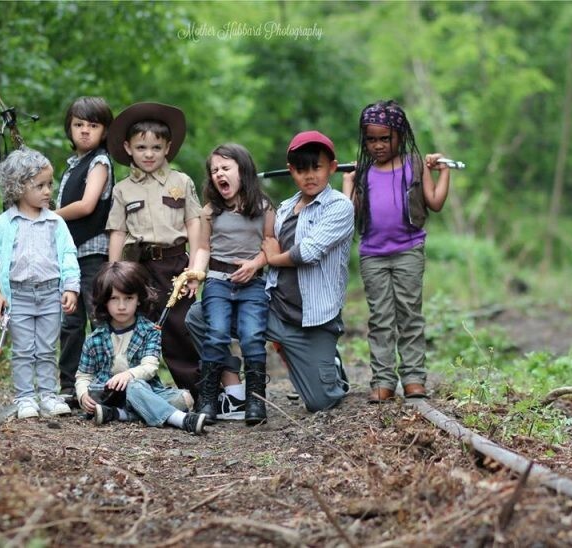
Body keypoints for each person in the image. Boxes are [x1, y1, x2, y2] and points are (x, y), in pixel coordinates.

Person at [186, 131, 354, 413]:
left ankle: (327, 363)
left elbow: (307, 253)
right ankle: (235, 390)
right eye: (301, 169)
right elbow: (262, 245)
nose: (309, 176)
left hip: (314, 319)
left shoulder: (339, 206)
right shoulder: (285, 208)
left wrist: (271, 259)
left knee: (321, 401)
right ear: (291, 172)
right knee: (198, 317)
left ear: (332, 168)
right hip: (275, 310)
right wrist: (254, 261)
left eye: (317, 167)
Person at [342, 100, 450, 403]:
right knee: (380, 318)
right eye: (371, 139)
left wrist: (443, 173)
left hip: (409, 250)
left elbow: (435, 202)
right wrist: (347, 181)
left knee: (409, 314)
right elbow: (348, 213)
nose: (378, 145)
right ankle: (383, 380)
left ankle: (414, 377)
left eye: (384, 138)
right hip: (373, 253)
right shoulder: (362, 171)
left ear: (399, 136)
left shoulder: (414, 163)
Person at [106, 102, 202, 395]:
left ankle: (198, 391)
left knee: (179, 329)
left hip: (175, 265)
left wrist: (195, 268)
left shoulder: (180, 182)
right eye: (142, 147)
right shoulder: (123, 189)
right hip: (138, 267)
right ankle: (136, 392)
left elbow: (194, 223)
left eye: (156, 148)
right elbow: (118, 232)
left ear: (167, 148)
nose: (149, 154)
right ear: (128, 148)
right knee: (136, 326)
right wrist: (114, 271)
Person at [0, 147, 80, 419]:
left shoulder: (56, 223)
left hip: (50, 293)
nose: (48, 191)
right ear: (18, 187)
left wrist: (71, 287)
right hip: (19, 295)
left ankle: (48, 395)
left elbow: (68, 255)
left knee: (48, 348)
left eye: (49, 184)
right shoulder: (4, 223)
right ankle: (25, 397)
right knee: (24, 349)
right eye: (40, 186)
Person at [186, 144, 275, 425]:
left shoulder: (263, 207)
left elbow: (270, 247)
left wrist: (255, 264)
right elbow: (202, 248)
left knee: (251, 336)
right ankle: (209, 399)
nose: (219, 174)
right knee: (217, 332)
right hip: (217, 282)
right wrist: (195, 274)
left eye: (226, 168)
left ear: (243, 171)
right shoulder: (210, 211)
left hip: (252, 284)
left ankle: (255, 401)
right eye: (214, 170)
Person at [75, 261, 207, 435]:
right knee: (141, 392)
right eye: (114, 298)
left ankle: (119, 415)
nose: (121, 306)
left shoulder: (150, 331)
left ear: (138, 299)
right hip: (109, 396)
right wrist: (83, 394)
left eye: (128, 298)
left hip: (145, 391)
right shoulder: (94, 339)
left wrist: (128, 375)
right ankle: (181, 420)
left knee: (182, 398)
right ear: (104, 301)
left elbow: (150, 367)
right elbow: (84, 375)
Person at [55, 96, 115, 404]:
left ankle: (103, 382)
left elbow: (88, 205)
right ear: (70, 128)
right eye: (78, 125)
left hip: (92, 253)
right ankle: (68, 386)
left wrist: (47, 215)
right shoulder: (72, 166)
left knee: (97, 317)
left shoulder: (100, 162)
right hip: (69, 255)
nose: (85, 131)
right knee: (70, 321)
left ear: (105, 132)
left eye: (93, 126)